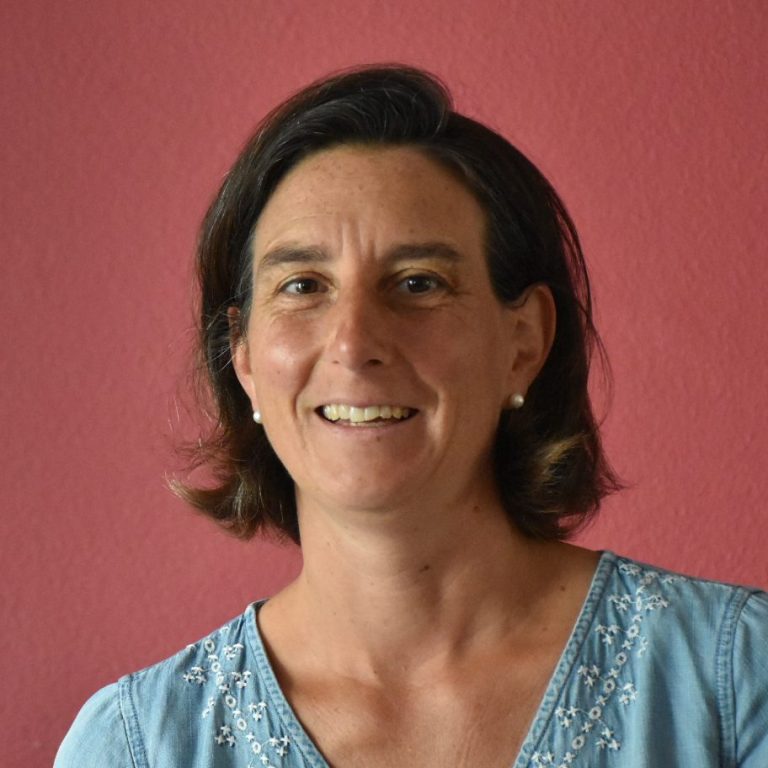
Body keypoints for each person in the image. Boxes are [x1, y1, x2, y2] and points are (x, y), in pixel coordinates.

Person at [55, 65, 768, 768]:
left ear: (524, 342)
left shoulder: (736, 683)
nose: (353, 342)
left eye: (418, 283)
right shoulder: (135, 748)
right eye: (302, 286)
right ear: (242, 356)